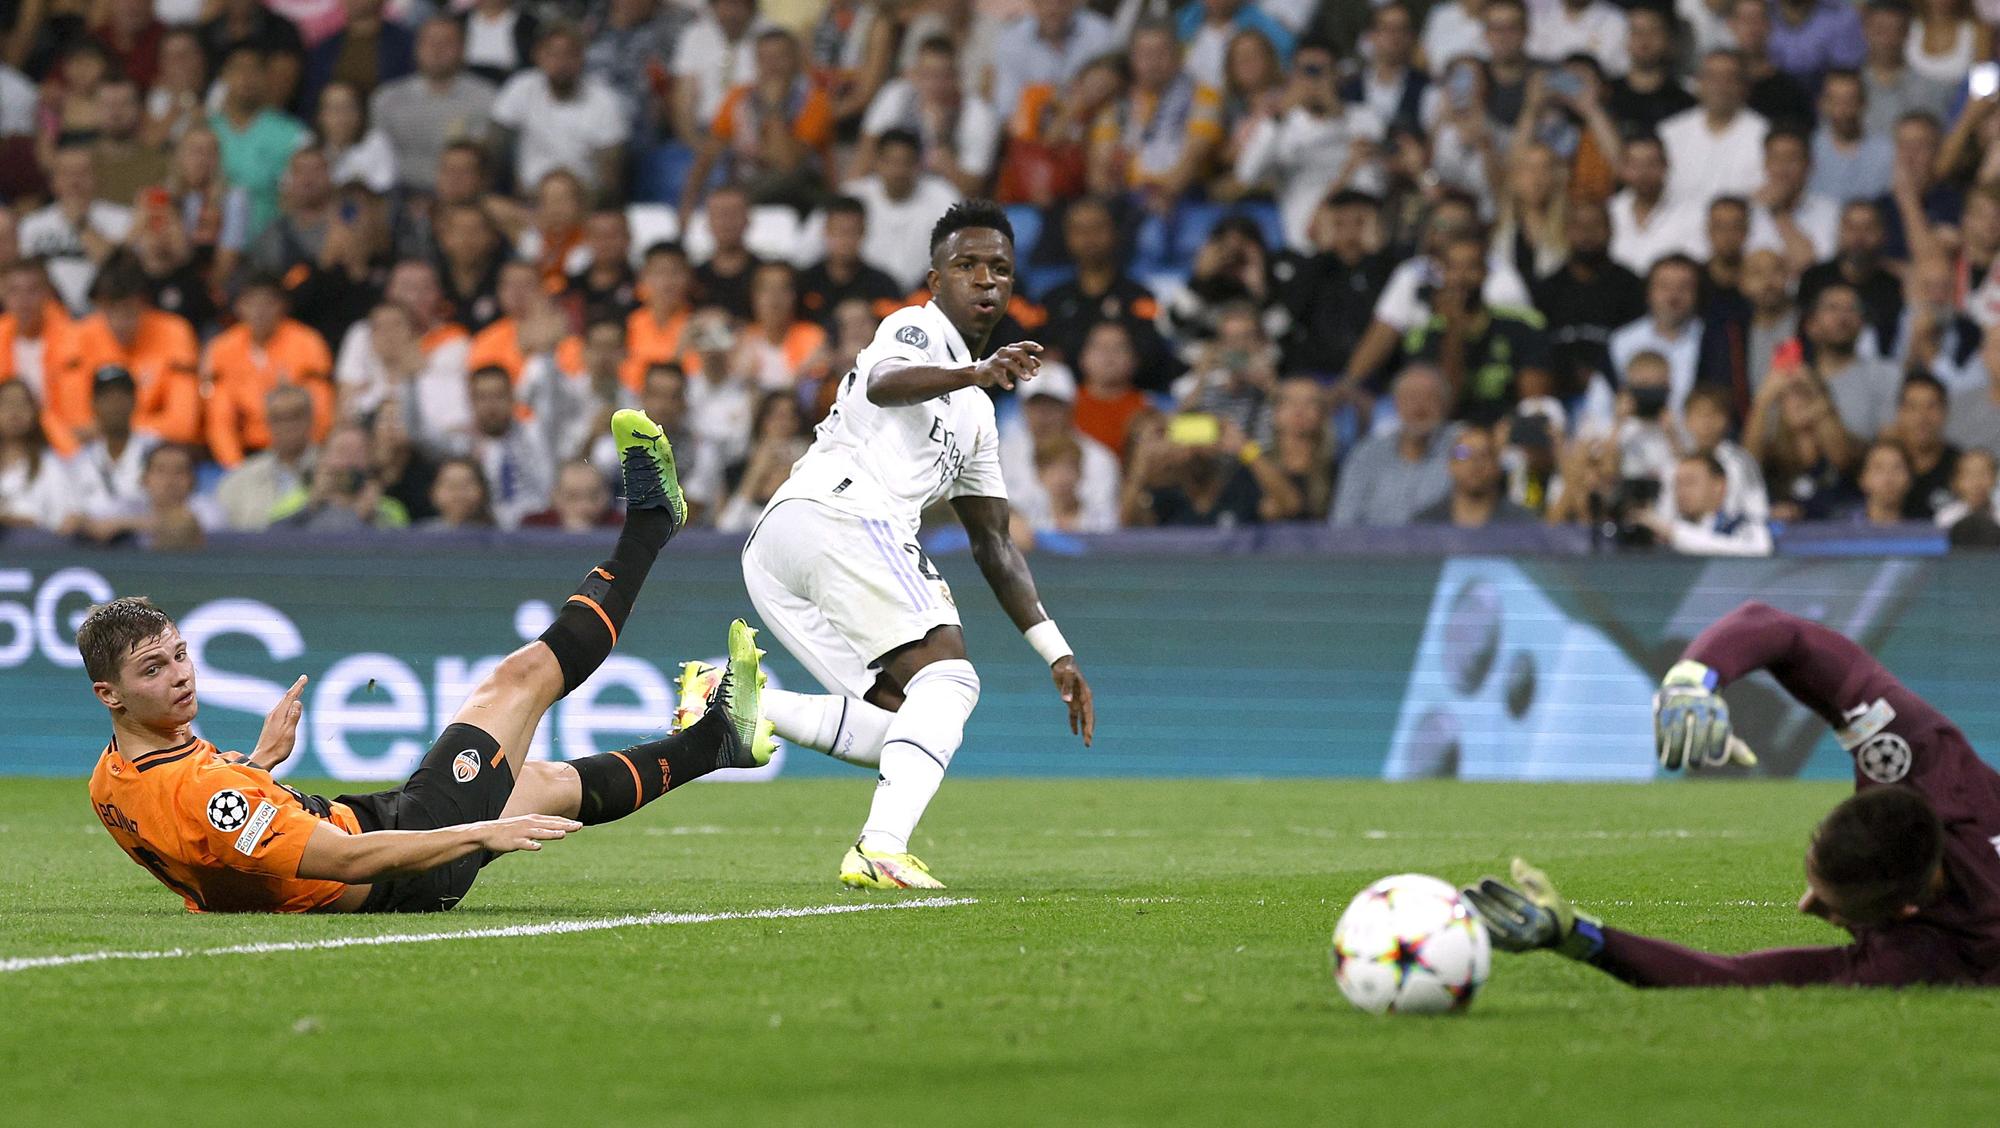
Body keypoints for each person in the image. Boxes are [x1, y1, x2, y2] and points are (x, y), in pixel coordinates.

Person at [82, 411, 777, 914]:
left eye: (179, 654)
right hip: (397, 858)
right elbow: (341, 858)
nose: (180, 674)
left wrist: (258, 766)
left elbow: (215, 847)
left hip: (374, 825)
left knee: (538, 782)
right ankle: (651, 527)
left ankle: (716, 742)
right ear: (109, 694)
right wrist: (477, 834)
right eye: (154, 669)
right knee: (519, 681)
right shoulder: (198, 796)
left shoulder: (111, 781)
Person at [738, 199, 1095, 889]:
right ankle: (881, 847)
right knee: (951, 679)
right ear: (935, 281)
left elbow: (995, 544)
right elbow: (883, 382)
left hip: (787, 548)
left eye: (1000, 269)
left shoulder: (978, 417)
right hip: (837, 514)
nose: (985, 281)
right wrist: (975, 371)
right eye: (967, 266)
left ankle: (738, 701)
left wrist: (1056, 652)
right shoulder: (913, 328)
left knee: (899, 726)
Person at [1467, 601, 2000, 986]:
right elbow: (1780, 630)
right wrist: (1694, 679)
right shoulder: (1914, 755)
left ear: (1906, 911)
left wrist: (1580, 937)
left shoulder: (1938, 956)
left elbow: (1734, 977)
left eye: (1836, 912)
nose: (1805, 906)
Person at [1232, 38, 1384, 254]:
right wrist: (1280, 114)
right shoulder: (1280, 125)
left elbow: (1374, 185)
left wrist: (1338, 116)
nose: (1313, 80)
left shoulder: (1363, 118)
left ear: (1336, 75)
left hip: (1357, 246)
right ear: (1292, 76)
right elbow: (1246, 176)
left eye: (1321, 71)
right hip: (1301, 247)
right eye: (1306, 71)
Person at [489, 22, 628, 201]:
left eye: (569, 55)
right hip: (529, 199)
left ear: (582, 58)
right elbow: (494, 145)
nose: (561, 63)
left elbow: (610, 175)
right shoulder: (521, 87)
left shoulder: (604, 100)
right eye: (553, 54)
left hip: (583, 201)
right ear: (538, 56)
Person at [369, 17, 497, 195]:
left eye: (447, 43)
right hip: (396, 193)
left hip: (461, 196)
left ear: (463, 49)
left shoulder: (487, 98)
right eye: (429, 42)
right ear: (416, 48)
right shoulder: (387, 99)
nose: (437, 50)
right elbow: (377, 160)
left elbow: (478, 162)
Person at [1330, 364, 1456, 526]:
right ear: (1396, 403)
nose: (1419, 407)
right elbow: (1343, 520)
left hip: (1444, 547)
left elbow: (1471, 454)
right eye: (1411, 397)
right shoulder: (1367, 454)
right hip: (1374, 548)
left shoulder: (1458, 448)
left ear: (1445, 405)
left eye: (1430, 397)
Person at [1657, 50, 1768, 212]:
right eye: (1712, 77)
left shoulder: (1764, 135)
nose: (1720, 86)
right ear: (1699, 83)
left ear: (1744, 86)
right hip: (1676, 231)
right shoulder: (1669, 133)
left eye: (1729, 78)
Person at [1631, 451, 1774, 555]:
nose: (1681, 491)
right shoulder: (1662, 536)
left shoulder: (1741, 525)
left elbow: (1758, 551)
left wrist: (1674, 533)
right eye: (1677, 484)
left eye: (1690, 482)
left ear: (1718, 486)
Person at [216, 384, 317, 530]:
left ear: (311, 419)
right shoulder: (237, 481)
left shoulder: (332, 473)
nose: (288, 426)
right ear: (267, 423)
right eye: (279, 418)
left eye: (296, 416)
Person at [1414, 426, 1535, 527]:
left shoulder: (1522, 524)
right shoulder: (1425, 524)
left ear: (1497, 466)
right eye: (1463, 454)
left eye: (1484, 454)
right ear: (1451, 465)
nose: (1475, 463)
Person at [1890, 372, 1958, 520]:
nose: (1922, 417)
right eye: (1912, 407)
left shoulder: (1960, 466)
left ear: (1945, 412)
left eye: (1931, 406)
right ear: (1899, 413)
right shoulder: (1882, 462)